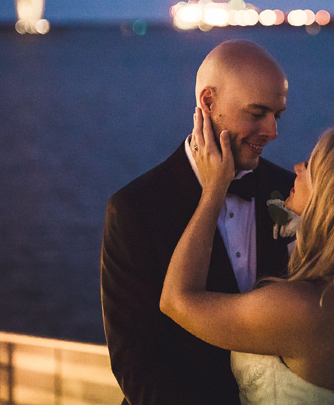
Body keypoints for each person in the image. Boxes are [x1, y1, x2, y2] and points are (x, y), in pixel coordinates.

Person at [161, 113, 334, 405]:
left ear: (331, 199)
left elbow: (176, 301)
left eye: (311, 166)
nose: (297, 167)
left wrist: (213, 190)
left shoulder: (301, 308)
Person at [101, 40, 297, 405]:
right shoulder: (134, 209)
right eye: (257, 114)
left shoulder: (290, 192)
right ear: (208, 102)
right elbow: (136, 366)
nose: (272, 131)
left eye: (277, 115)